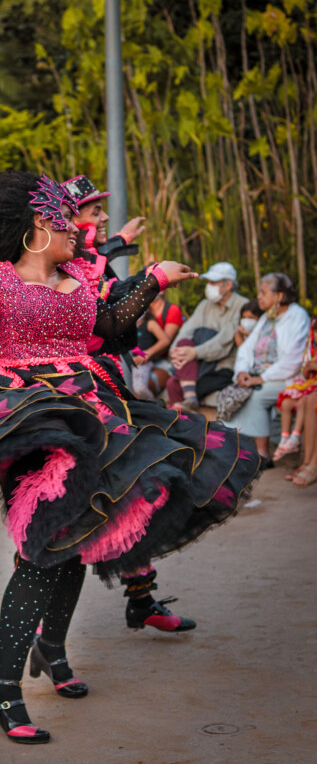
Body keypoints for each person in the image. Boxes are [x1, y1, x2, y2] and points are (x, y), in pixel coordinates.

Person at [0, 171, 260, 745]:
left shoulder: (80, 277)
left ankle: (48, 654)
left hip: (93, 412)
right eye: (66, 225)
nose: (79, 234)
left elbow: (109, 326)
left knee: (75, 543)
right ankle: (4, 690)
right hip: (31, 422)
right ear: (38, 228)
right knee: (43, 551)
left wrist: (154, 279)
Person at [67, 177, 195, 632]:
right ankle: (46, 628)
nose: (103, 218)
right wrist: (152, 277)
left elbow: (100, 265)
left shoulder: (87, 260)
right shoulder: (67, 269)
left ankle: (141, 598)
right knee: (89, 499)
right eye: (93, 212)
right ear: (67, 221)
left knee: (130, 487)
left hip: (106, 381)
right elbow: (106, 316)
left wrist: (124, 243)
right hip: (79, 392)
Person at [223, 273, 310, 460]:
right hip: (259, 375)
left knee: (257, 395)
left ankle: (262, 454)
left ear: (279, 296)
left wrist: (261, 378)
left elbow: (293, 360)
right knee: (234, 392)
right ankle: (238, 448)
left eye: (263, 293)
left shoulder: (297, 317)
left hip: (286, 378)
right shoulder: (267, 318)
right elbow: (246, 348)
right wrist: (242, 372)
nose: (259, 297)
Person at [167, 262, 247, 410]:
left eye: (213, 282)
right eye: (208, 282)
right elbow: (187, 329)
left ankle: (187, 419)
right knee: (172, 382)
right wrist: (175, 350)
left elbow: (223, 342)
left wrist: (195, 352)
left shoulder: (242, 306)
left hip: (222, 366)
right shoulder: (205, 305)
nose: (208, 286)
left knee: (177, 385)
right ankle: (179, 425)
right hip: (201, 363)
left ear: (228, 285)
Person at [272, 318, 317, 464]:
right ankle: (285, 438)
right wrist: (308, 369)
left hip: (312, 391)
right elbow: (306, 374)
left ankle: (295, 437)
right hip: (309, 385)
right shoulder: (310, 350)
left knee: (306, 401)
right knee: (286, 403)